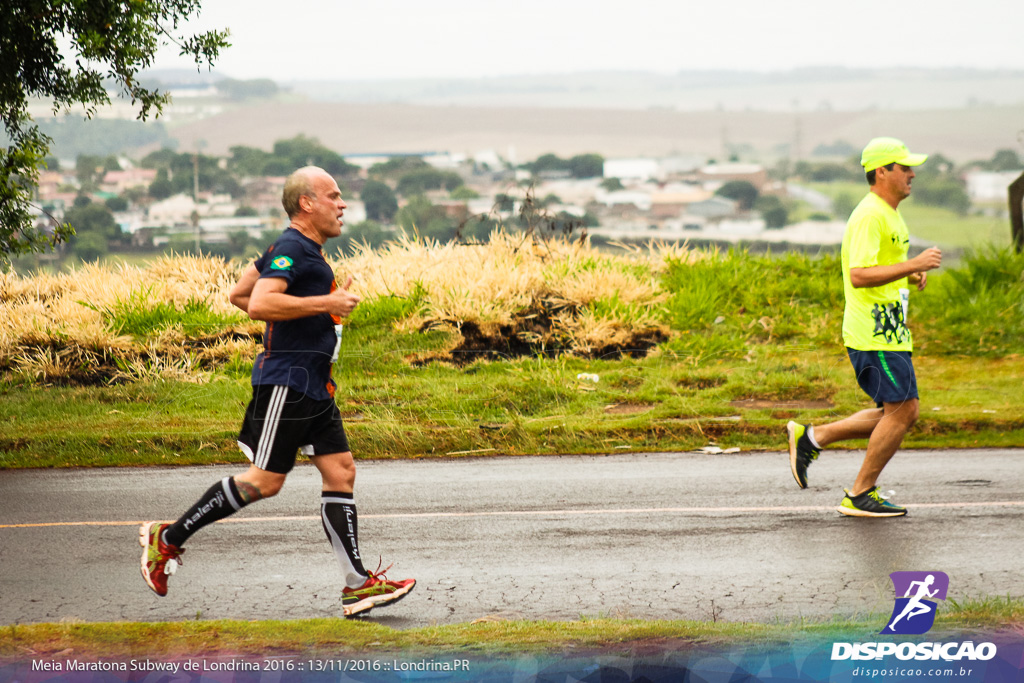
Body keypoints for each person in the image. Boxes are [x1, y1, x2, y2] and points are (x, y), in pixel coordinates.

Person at [139, 166, 415, 616]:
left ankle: (357, 585)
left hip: (315, 383)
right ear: (307, 203)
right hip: (288, 382)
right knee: (265, 482)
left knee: (341, 471)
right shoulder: (292, 247)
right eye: (334, 196)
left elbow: (239, 294)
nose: (342, 204)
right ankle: (166, 539)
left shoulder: (296, 249)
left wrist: (308, 318)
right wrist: (326, 304)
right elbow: (262, 302)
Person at [786, 137, 943, 517]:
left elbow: (879, 268)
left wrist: (909, 275)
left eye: (910, 167)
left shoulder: (890, 213)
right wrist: (911, 264)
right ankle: (859, 494)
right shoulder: (870, 215)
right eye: (904, 167)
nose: (912, 173)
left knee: (900, 412)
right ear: (881, 171)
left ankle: (811, 438)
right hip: (872, 334)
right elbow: (858, 275)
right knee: (903, 412)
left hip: (888, 332)